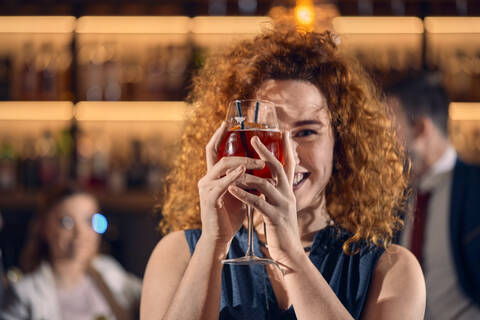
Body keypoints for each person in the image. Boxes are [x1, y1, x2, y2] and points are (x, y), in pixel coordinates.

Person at [141, 24, 425, 320]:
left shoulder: (391, 270)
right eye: (267, 132)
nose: (285, 157)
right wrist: (213, 243)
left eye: (306, 132)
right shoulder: (178, 255)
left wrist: (290, 252)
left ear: (340, 143)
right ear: (234, 143)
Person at [386, 73, 480, 320]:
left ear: (420, 129)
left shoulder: (475, 188)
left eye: (390, 129)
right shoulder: (397, 197)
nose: (384, 142)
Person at [0, 184, 142, 320]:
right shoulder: (24, 294)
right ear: (43, 227)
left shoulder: (109, 271)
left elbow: (150, 294)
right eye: (66, 222)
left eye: (89, 221)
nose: (80, 233)